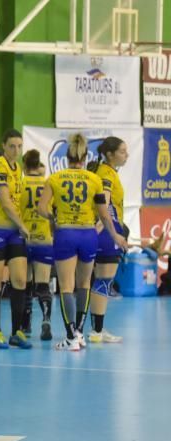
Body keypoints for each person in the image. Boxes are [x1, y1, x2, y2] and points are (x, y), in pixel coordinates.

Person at [38, 133, 127, 351]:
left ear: (67, 157)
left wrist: (53, 218)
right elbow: (104, 214)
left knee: (66, 287)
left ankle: (70, 337)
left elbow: (42, 208)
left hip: (66, 233)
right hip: (88, 235)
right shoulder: (94, 179)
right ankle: (80, 333)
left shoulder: (55, 179)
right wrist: (115, 236)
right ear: (85, 156)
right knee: (84, 285)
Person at [0, 129, 31, 349]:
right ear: (3, 145)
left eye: (20, 146)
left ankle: (17, 331)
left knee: (19, 280)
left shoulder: (17, 168)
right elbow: (5, 201)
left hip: (13, 233)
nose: (16, 150)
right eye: (12, 146)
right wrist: (22, 225)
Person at [88, 137, 129, 343]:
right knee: (103, 280)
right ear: (110, 154)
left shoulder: (108, 172)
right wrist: (107, 231)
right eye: (122, 151)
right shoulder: (105, 174)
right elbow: (102, 202)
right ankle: (96, 331)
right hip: (107, 231)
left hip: (108, 229)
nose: (126, 155)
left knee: (103, 281)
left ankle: (97, 329)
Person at [20, 150, 54, 341]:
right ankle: (46, 320)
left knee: (25, 285)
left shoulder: (20, 183)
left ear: (24, 166)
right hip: (44, 238)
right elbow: (53, 213)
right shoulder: (48, 184)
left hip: (24, 238)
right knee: (43, 285)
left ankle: (25, 326)